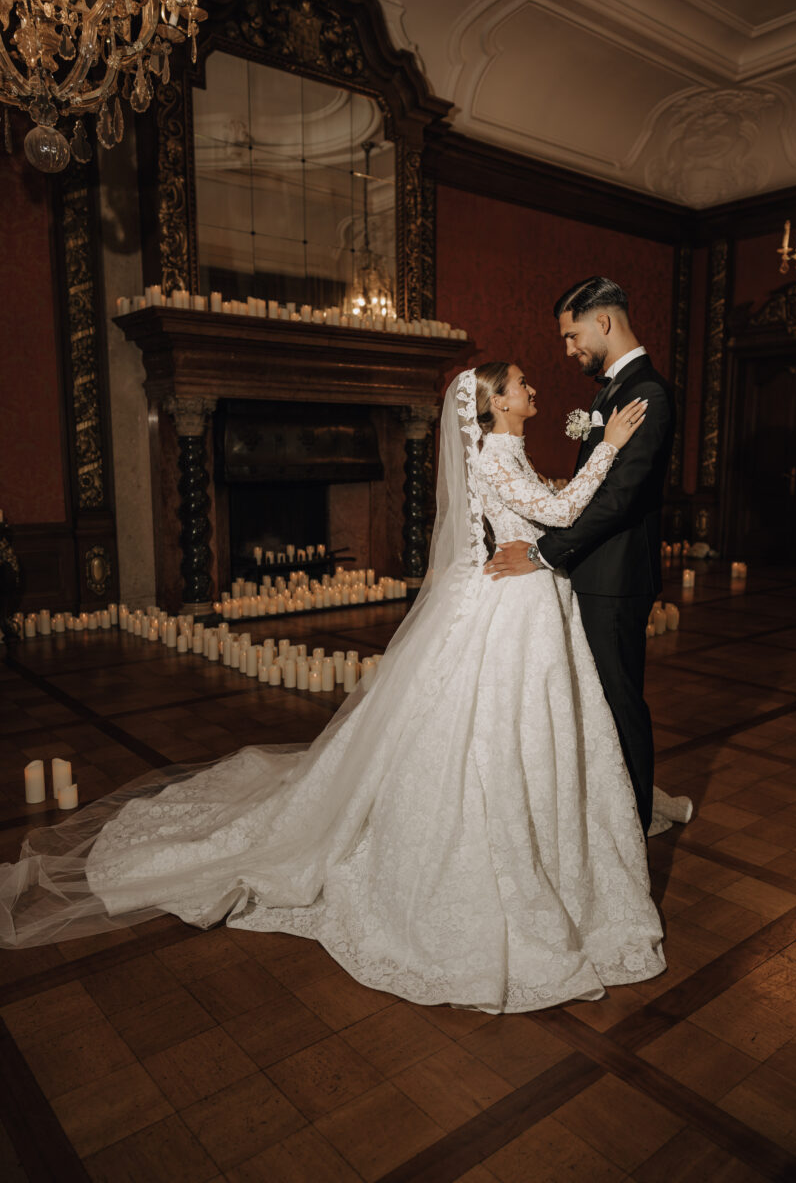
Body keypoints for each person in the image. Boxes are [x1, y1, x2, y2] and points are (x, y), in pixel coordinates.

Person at [0, 363, 667, 1014]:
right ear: (494, 405)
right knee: (496, 733)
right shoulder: (495, 454)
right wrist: (606, 450)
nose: (532, 387)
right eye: (521, 383)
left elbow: (541, 511)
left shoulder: (508, 451)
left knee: (527, 729)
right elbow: (559, 508)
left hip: (530, 605)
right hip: (517, 606)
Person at [486, 277, 690, 838]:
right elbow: (592, 487)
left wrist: (543, 553)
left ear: (603, 322)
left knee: (619, 701)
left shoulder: (646, 392)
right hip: (595, 567)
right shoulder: (615, 389)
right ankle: (611, 807)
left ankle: (633, 821)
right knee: (599, 700)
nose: (568, 349)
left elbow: (621, 500)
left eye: (572, 335)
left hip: (617, 574)